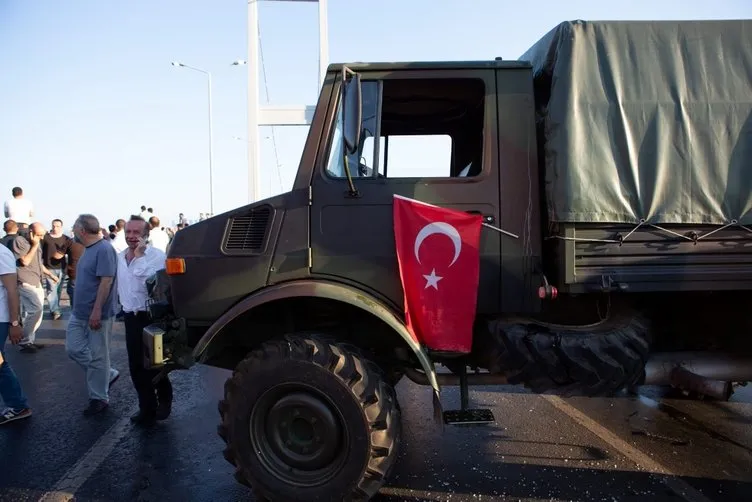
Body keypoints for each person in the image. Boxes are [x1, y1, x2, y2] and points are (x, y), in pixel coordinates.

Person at [117, 215, 171, 425]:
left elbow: (149, 281)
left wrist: (139, 256)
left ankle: (165, 399)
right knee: (136, 366)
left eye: (136, 233)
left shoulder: (156, 256)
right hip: (130, 317)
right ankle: (146, 408)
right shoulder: (120, 257)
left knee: (155, 364)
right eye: (128, 232)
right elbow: (119, 285)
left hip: (151, 317)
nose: (131, 236)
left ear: (146, 236)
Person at [65, 214, 120, 416]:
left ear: (81, 231)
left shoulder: (104, 249)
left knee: (98, 355)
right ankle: (108, 373)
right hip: (79, 313)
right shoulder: (88, 249)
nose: (72, 231)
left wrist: (96, 311)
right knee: (74, 348)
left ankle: (99, 397)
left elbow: (106, 282)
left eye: (73, 228)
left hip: (97, 315)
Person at [12, 222, 59, 353]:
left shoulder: (37, 243)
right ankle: (25, 341)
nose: (42, 238)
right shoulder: (20, 241)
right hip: (26, 281)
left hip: (37, 281)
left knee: (38, 313)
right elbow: (25, 261)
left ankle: (29, 340)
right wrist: (34, 245)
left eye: (43, 235)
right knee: (36, 310)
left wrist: (50, 275)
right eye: (39, 235)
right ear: (31, 232)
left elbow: (38, 263)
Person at [0, 243, 31, 424]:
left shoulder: (2, 254)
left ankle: (18, 405)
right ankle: (18, 404)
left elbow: (12, 291)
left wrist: (14, 323)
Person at [42, 219, 71, 320]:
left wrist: (67, 267)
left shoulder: (66, 239)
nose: (55, 228)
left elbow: (69, 254)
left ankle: (55, 307)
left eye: (57, 226)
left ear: (61, 227)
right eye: (53, 226)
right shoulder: (45, 238)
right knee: (51, 289)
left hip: (62, 268)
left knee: (58, 290)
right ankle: (55, 310)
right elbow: (41, 252)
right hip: (49, 267)